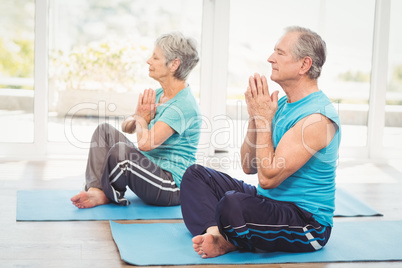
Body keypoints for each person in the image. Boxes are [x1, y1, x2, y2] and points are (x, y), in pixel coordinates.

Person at [180, 26, 341, 258]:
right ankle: (218, 235)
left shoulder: (317, 118)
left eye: (280, 53)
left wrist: (264, 119)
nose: (270, 58)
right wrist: (256, 118)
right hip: (268, 203)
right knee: (195, 175)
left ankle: (229, 237)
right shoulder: (283, 105)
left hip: (307, 223)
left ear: (304, 65)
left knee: (232, 204)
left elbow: (267, 179)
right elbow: (249, 166)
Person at [71, 31, 201, 208]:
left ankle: (109, 194)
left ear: (174, 65)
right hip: (149, 170)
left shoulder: (183, 105)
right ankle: (96, 190)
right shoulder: (159, 94)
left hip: (171, 186)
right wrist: (139, 118)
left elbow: (145, 144)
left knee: (122, 152)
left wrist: (142, 118)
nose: (149, 61)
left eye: (155, 57)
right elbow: (127, 127)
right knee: (104, 132)